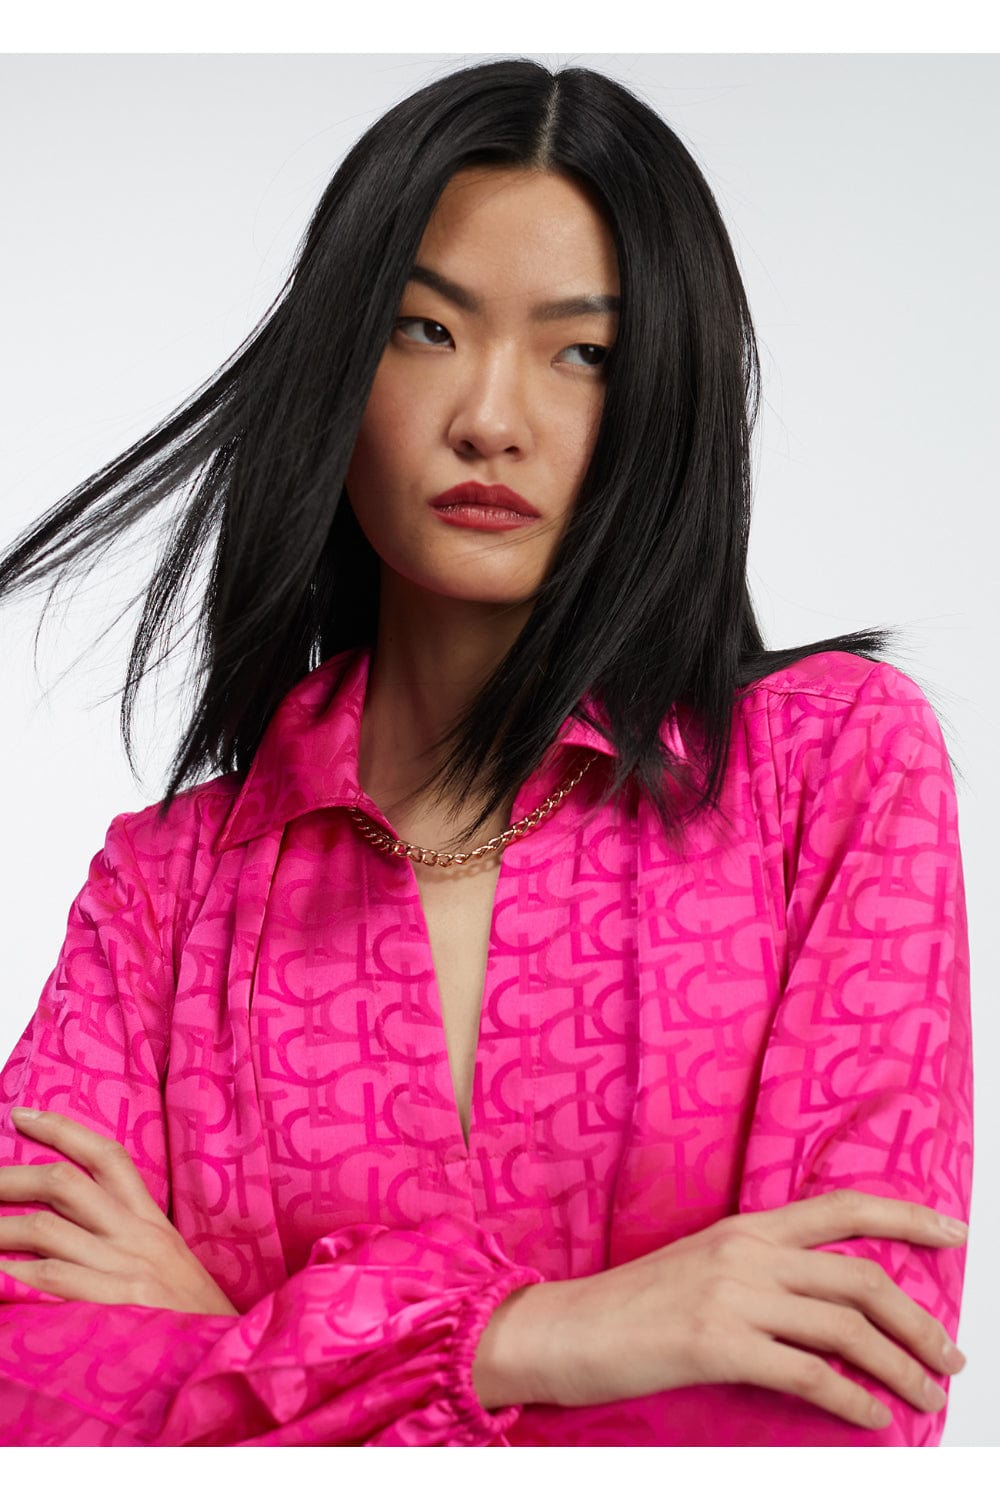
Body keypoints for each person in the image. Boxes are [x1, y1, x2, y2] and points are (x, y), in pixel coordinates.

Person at [0, 58, 971, 1447]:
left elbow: (846, 1401)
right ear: (338, 368)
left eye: (585, 354)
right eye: (426, 330)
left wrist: (239, 1343)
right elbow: (23, 1379)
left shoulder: (834, 771)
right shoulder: (166, 892)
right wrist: (541, 1339)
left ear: (665, 399)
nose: (491, 420)